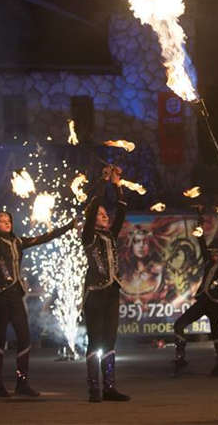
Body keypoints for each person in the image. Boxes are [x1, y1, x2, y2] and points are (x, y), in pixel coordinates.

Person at [0, 210, 76, 397]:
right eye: (2, 221)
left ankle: (22, 383)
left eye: (8, 220)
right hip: (0, 296)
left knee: (25, 337)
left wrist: (68, 227)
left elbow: (43, 238)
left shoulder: (18, 242)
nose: (7, 223)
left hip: (15, 296)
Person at [80, 165, 131, 403]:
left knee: (110, 340)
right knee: (96, 340)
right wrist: (102, 182)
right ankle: (94, 390)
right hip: (95, 293)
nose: (105, 217)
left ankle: (110, 387)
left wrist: (117, 184)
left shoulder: (110, 235)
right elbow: (92, 211)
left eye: (105, 214)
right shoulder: (88, 235)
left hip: (112, 292)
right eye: (101, 214)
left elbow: (121, 211)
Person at [172, 205, 218, 377]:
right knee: (179, 324)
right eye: (213, 253)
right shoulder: (209, 263)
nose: (214, 256)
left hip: (216, 303)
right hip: (203, 300)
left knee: (215, 333)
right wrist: (199, 215)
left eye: (217, 254)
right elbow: (200, 240)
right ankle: (180, 358)